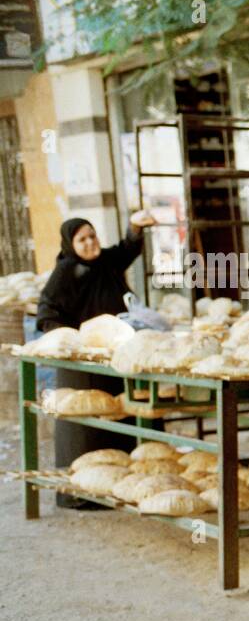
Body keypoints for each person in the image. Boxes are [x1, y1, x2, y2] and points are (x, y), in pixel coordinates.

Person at [36, 211, 157, 509]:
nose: (90, 243)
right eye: (82, 239)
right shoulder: (66, 271)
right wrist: (71, 339)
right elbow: (46, 311)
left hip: (115, 357)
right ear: (70, 244)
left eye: (93, 236)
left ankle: (122, 490)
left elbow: (127, 249)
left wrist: (135, 227)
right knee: (89, 430)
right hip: (84, 366)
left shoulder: (105, 262)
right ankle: (83, 496)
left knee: (120, 420)